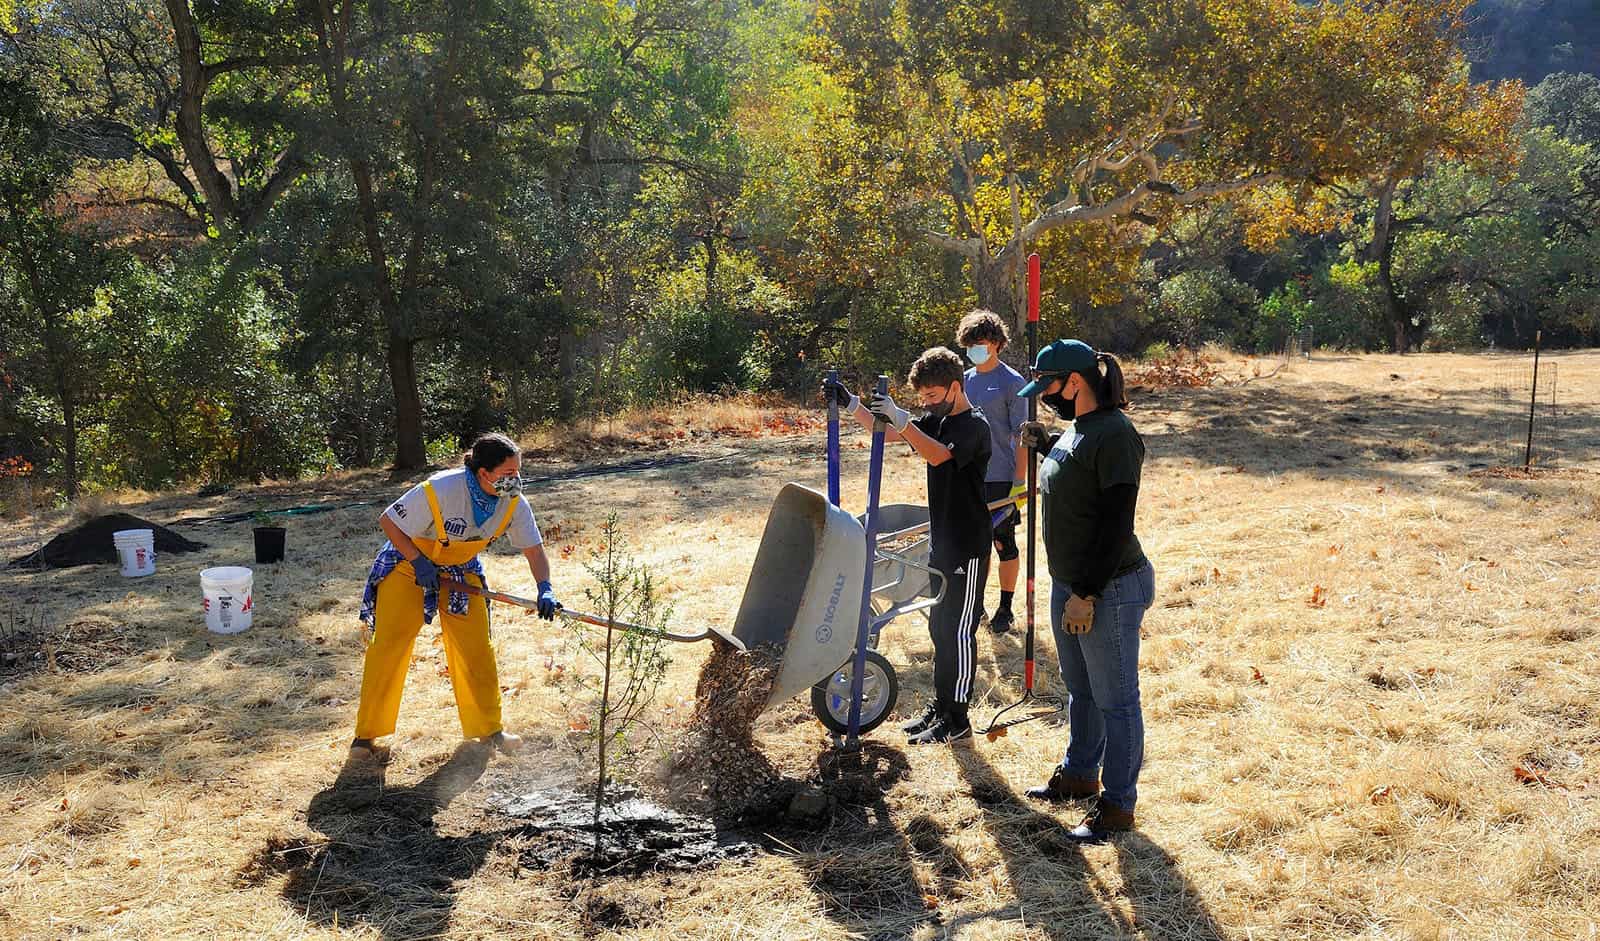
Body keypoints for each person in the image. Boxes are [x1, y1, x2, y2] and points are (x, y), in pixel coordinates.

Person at [1015, 339, 1155, 840]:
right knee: (1082, 691)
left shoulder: (1116, 434)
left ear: (1076, 382)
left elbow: (1116, 521)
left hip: (1108, 588)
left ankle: (1117, 805)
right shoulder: (1080, 428)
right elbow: (1079, 477)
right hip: (1072, 582)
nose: (1047, 396)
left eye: (1050, 387)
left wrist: (1088, 593)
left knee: (1116, 700)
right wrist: (1046, 444)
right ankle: (1079, 775)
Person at [350, 432, 559, 761]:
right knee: (388, 646)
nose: (515, 480)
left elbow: (534, 549)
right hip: (408, 566)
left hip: (460, 571)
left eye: (518, 472)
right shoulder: (442, 489)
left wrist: (544, 586)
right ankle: (365, 738)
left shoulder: (513, 500)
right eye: (508, 474)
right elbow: (389, 520)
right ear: (483, 474)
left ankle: (490, 729)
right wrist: (419, 562)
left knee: (477, 649)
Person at [825, 348, 992, 744]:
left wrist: (902, 418)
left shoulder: (974, 426)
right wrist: (853, 404)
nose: (928, 404)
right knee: (938, 628)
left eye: (933, 396)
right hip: (942, 543)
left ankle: (959, 719)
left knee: (958, 631)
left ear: (955, 386)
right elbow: (893, 430)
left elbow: (937, 456)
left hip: (968, 548)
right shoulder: (938, 418)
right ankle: (941, 706)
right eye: (924, 399)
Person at [956, 310, 1029, 634]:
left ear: (997, 344)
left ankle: (1005, 607)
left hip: (1002, 478)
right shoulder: (963, 382)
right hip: (969, 479)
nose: (976, 350)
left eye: (981, 344)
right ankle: (976, 606)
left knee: (1003, 543)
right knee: (972, 546)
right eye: (970, 345)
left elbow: (1023, 437)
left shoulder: (1013, 383)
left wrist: (1019, 483)